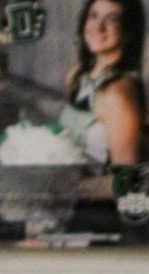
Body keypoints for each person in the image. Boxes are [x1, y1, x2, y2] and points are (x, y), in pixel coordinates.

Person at [58, 0, 145, 167]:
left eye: (112, 19)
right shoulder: (77, 75)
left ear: (128, 31)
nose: (98, 26)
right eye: (93, 16)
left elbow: (129, 182)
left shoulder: (118, 94)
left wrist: (73, 185)